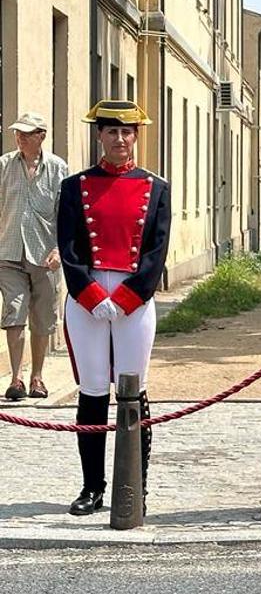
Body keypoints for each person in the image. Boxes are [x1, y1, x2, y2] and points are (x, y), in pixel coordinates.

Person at [57, 100, 169, 515]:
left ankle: (134, 484)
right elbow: (68, 249)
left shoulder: (156, 187)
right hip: (86, 297)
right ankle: (92, 486)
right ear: (99, 136)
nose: (119, 139)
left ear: (136, 135)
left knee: (132, 390)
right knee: (91, 390)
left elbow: (156, 253)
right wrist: (89, 296)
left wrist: (125, 298)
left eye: (127, 132)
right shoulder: (74, 186)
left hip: (134, 299)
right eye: (111, 132)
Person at [1, 112, 68, 401]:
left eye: (27, 133)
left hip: (44, 255)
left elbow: (66, 216)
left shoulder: (57, 168)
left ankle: (37, 376)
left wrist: (59, 250)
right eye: (18, 133)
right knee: (14, 312)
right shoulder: (3, 165)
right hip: (9, 252)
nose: (21, 138)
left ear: (41, 136)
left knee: (42, 318)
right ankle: (16, 378)